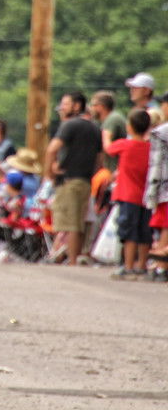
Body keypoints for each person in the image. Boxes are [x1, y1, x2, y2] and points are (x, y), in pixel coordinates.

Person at [44, 91, 103, 265]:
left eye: (65, 104)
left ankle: (71, 262)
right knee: (78, 223)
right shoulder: (94, 128)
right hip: (85, 181)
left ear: (77, 106)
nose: (61, 108)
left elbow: (51, 149)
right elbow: (100, 160)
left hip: (69, 180)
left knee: (70, 224)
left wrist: (50, 173)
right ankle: (72, 260)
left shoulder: (69, 125)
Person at [106, 108, 152, 280]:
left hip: (127, 195)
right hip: (146, 197)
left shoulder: (125, 145)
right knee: (144, 231)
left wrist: (105, 135)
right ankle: (142, 266)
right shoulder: (151, 148)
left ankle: (128, 266)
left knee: (128, 231)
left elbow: (109, 149)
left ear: (130, 127)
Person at [144, 92, 168, 282]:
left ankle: (162, 265)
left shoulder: (162, 132)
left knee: (165, 226)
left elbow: (156, 165)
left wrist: (151, 193)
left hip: (164, 187)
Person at [90, 90, 127, 171]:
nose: (91, 108)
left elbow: (108, 148)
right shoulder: (108, 119)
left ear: (101, 106)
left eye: (93, 105)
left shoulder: (112, 119)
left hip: (115, 171)